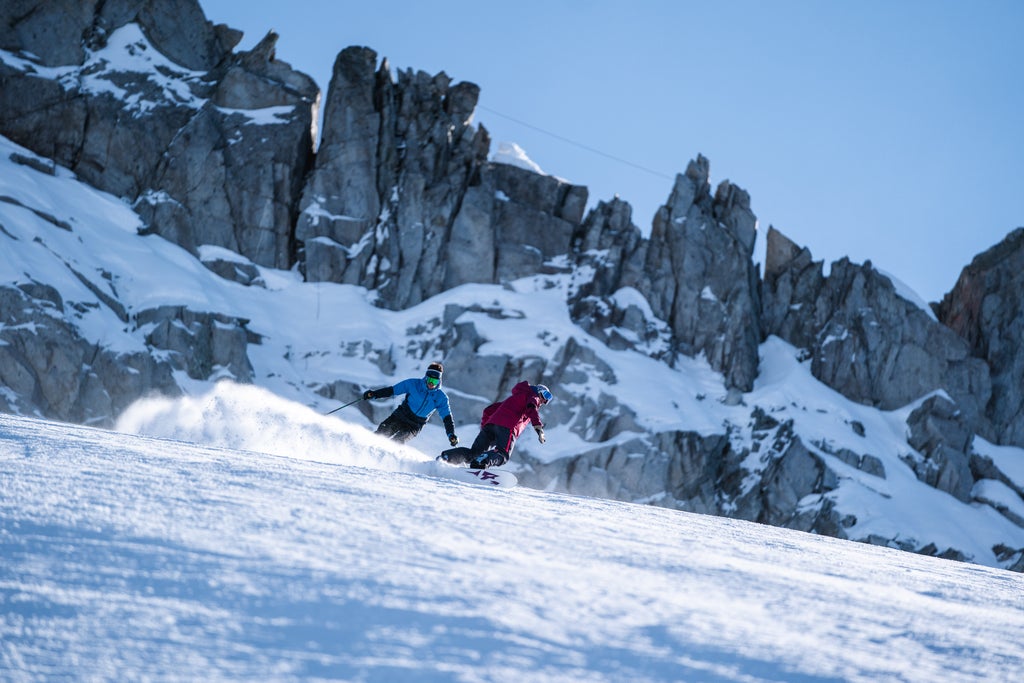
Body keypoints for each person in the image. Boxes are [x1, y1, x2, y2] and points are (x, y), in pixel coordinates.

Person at [438, 381, 551, 469]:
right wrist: (539, 428)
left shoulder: (515, 397)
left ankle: (446, 457)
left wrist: (485, 428)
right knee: (503, 454)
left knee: (474, 454)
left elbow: (489, 410)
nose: (544, 401)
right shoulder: (533, 396)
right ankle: (482, 461)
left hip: (490, 426)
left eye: (547, 400)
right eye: (545, 396)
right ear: (539, 391)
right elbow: (532, 408)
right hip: (508, 426)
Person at [363, 362, 458, 445]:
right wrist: (374, 394)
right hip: (401, 415)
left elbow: (447, 418)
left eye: (435, 381)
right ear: (426, 377)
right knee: (382, 434)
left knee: (397, 442)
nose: (431, 384)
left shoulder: (441, 398)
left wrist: (451, 434)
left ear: (439, 381)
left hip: (414, 425)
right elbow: (392, 390)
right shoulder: (413, 384)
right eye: (430, 380)